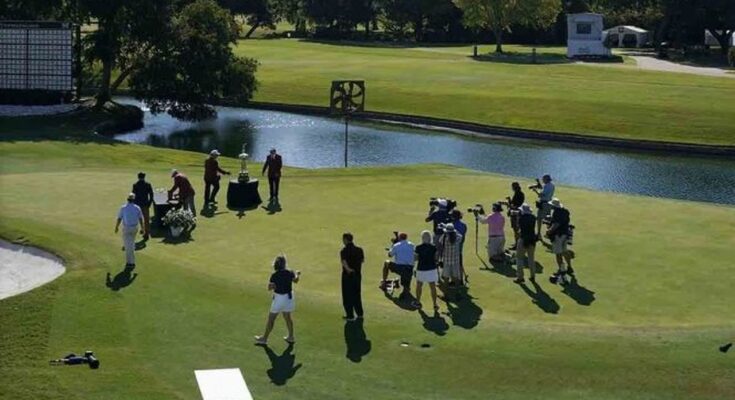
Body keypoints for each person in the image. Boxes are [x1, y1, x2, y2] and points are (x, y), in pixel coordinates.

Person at [255, 256, 301, 345]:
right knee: (287, 317)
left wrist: (275, 286)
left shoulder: (274, 275)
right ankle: (291, 337)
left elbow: (270, 287)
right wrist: (298, 274)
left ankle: (264, 338)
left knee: (271, 319)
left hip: (279, 299)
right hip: (289, 298)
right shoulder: (290, 272)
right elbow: (296, 280)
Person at [547, 198, 573, 283]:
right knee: (565, 251)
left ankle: (562, 271)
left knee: (558, 254)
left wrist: (549, 231)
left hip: (558, 235)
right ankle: (569, 267)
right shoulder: (565, 211)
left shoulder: (556, 212)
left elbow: (556, 224)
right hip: (565, 234)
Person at [114, 193, 144, 268]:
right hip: (134, 228)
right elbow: (140, 219)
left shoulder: (123, 208)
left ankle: (130, 263)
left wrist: (116, 227)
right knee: (131, 244)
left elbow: (119, 218)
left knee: (128, 246)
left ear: (128, 200)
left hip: (127, 228)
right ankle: (130, 262)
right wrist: (142, 228)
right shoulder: (137, 208)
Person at [382, 232, 415, 300]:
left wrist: (393, 246)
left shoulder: (396, 245)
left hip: (399, 268)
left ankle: (384, 283)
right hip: (410, 269)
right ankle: (405, 289)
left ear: (399, 238)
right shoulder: (412, 245)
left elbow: (390, 255)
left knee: (386, 263)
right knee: (406, 287)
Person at [340, 232, 365, 321]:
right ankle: (360, 314)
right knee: (357, 294)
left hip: (348, 276)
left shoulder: (344, 251)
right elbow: (362, 260)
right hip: (358, 275)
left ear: (346, 240)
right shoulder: (359, 250)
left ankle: (350, 315)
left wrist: (349, 270)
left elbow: (344, 262)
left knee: (347, 295)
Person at [414, 230, 439, 312]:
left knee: (419, 286)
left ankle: (417, 302)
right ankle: (435, 304)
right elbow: (436, 258)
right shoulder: (433, 247)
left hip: (421, 268)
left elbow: (416, 258)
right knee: (433, 287)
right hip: (431, 269)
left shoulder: (418, 247)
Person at [514, 204, 538, 284]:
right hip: (532, 239)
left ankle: (520, 277)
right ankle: (532, 276)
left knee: (519, 258)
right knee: (531, 259)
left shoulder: (521, 218)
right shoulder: (533, 218)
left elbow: (518, 227)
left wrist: (518, 217)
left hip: (523, 238)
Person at [131, 172, 154, 240]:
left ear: (138, 177)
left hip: (137, 204)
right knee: (146, 219)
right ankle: (146, 233)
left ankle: (142, 229)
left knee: (139, 219)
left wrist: (132, 203)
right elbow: (151, 194)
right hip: (145, 204)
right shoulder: (148, 184)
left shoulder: (135, 185)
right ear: (144, 177)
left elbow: (133, 195)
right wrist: (150, 203)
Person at [532, 174, 555, 239]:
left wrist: (535, 191)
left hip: (544, 204)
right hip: (549, 203)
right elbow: (543, 189)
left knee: (539, 218)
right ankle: (550, 232)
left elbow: (541, 195)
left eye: (543, 179)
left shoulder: (547, 186)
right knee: (548, 218)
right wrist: (538, 183)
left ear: (546, 179)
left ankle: (539, 234)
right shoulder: (552, 185)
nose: (543, 180)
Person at [502, 182, 525, 247]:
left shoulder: (518, 194)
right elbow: (513, 203)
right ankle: (517, 243)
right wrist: (509, 200)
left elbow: (515, 206)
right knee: (517, 229)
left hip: (515, 214)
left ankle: (517, 244)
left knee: (516, 229)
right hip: (518, 213)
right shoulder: (520, 193)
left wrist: (507, 204)